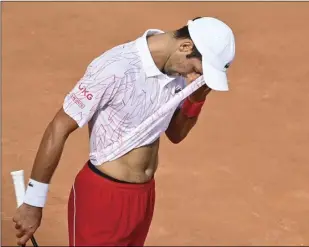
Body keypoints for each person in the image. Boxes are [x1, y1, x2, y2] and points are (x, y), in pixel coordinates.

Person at [12, 16, 236, 246]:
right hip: (103, 198)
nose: (193, 78)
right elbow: (58, 128)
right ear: (185, 47)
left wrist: (196, 100)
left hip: (144, 198)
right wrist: (33, 202)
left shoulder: (175, 72)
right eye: (196, 69)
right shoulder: (115, 67)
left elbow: (175, 134)